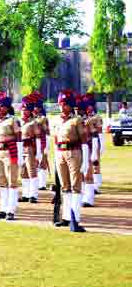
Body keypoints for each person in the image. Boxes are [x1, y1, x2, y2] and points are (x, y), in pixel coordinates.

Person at [53, 89, 89, 232]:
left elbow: (84, 141)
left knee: (75, 186)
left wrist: (86, 161)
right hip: (60, 153)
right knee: (65, 186)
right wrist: (55, 157)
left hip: (74, 152)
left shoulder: (77, 120)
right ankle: (66, 217)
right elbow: (55, 140)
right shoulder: (56, 120)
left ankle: (75, 219)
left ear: (71, 105)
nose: (62, 106)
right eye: (61, 104)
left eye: (65, 104)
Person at [0, 93, 21, 220]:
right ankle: (3, 209)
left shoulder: (13, 120)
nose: (0, 108)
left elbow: (19, 138)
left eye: (2, 106)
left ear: (7, 107)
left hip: (10, 153)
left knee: (12, 181)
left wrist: (20, 156)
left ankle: (11, 210)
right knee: (2, 181)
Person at [18, 94, 42, 204]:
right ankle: (26, 194)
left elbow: (38, 137)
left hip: (30, 148)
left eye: (26, 110)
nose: (24, 111)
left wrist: (39, 152)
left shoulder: (34, 122)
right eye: (23, 109)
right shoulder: (19, 122)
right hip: (21, 148)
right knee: (23, 172)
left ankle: (33, 195)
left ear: (30, 111)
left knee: (32, 171)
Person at [83, 93, 103, 198]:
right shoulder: (82, 117)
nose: (89, 108)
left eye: (90, 106)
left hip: (95, 142)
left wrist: (102, 144)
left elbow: (99, 131)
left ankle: (96, 186)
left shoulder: (97, 117)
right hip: (85, 143)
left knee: (96, 164)